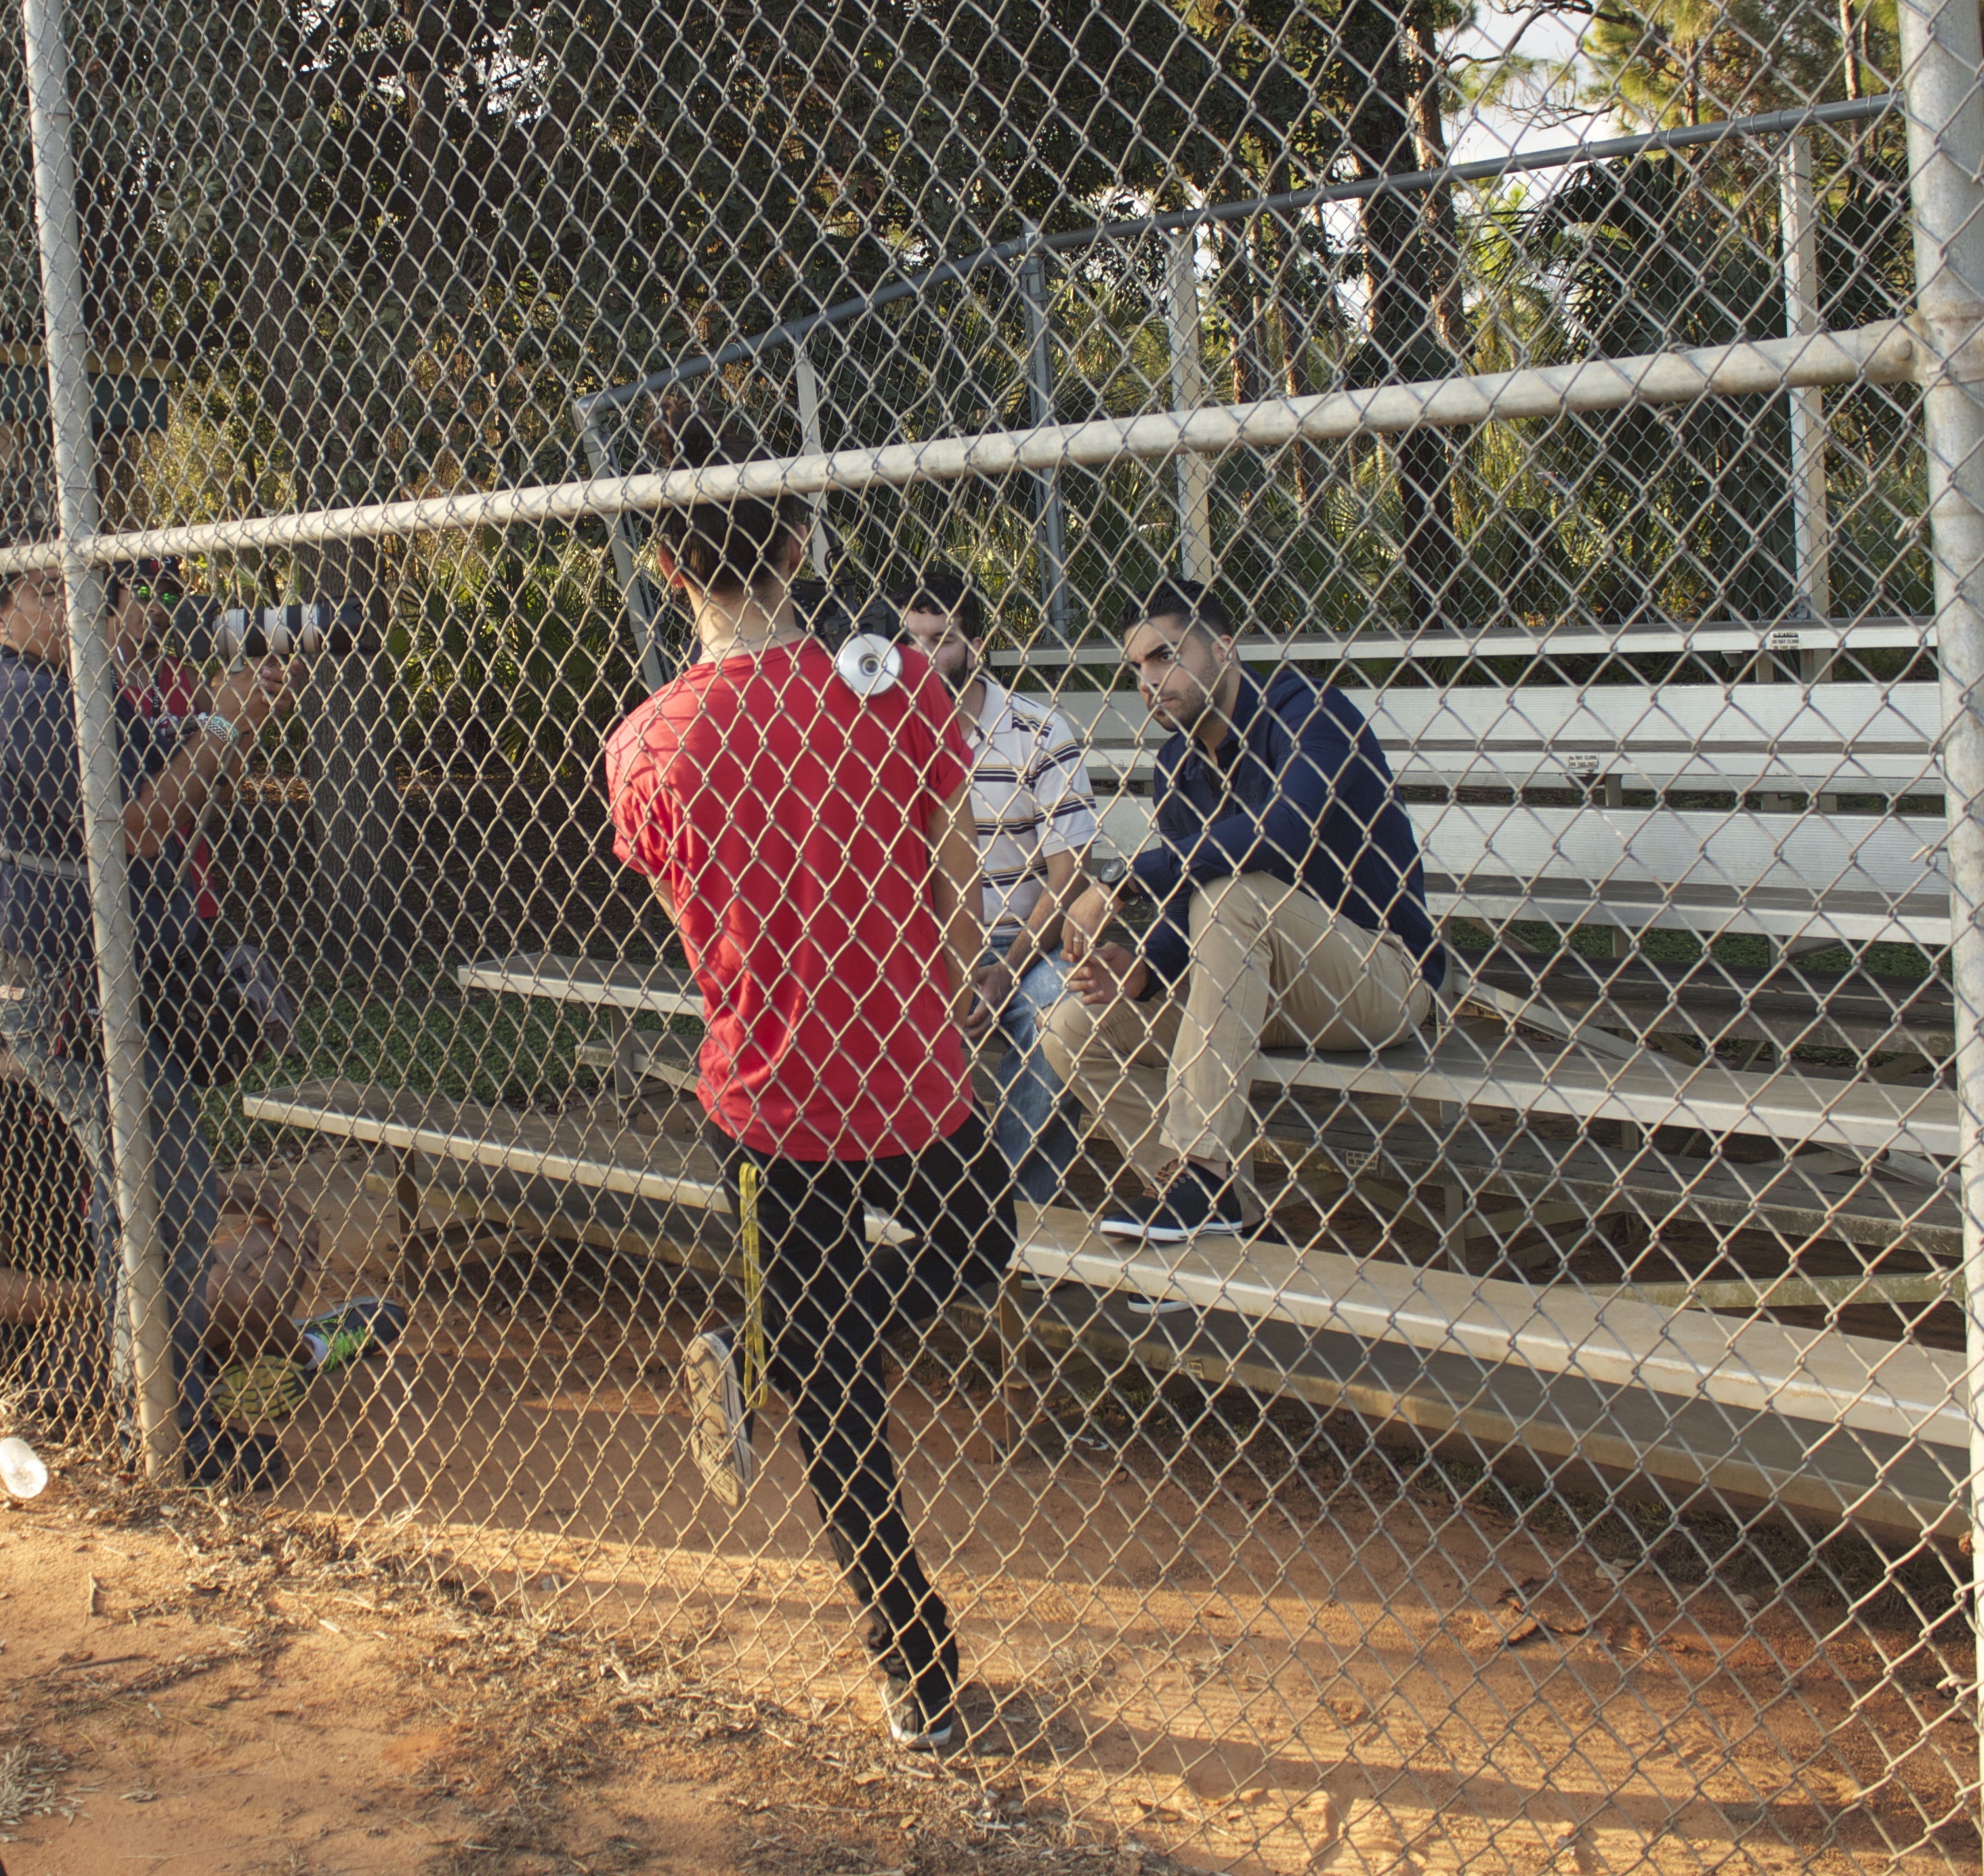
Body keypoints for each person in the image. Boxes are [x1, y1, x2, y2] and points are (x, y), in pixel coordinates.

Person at [603, 416, 1019, 1753]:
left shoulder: (647, 743)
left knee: (831, 1395)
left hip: (768, 1101)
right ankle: (782, 1338)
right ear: (795, 542)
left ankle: (916, 1672)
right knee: (978, 1236)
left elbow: (692, 919)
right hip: (912, 1077)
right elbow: (956, 876)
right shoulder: (888, 683)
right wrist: (937, 1008)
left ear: (667, 567)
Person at [0, 558, 395, 1486]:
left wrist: (221, 725)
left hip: (94, 986)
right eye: (44, 592)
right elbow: (143, 824)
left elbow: (169, 767)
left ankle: (152, 1413)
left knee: (165, 1199)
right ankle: (162, 1433)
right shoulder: (32, 701)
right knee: (160, 1202)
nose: (73, 608)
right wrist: (225, 718)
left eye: (72, 589)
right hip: (73, 996)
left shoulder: (58, 688)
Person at [1040, 577, 1445, 1244]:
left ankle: (1199, 1168)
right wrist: (1141, 969)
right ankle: (1209, 1206)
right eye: (1135, 666)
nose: (1147, 680)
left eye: (1165, 655)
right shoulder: (1175, 764)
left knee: (1233, 891)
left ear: (1223, 649)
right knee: (1068, 1024)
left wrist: (1122, 879)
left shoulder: (1307, 712)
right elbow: (1182, 915)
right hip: (1244, 986)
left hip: (1376, 975)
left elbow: (1284, 830)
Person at [887, 562, 1101, 1209]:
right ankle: (908, 1200)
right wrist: (951, 962)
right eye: (911, 642)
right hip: (925, 941)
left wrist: (1006, 966)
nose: (925, 656)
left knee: (1057, 1009)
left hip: (1028, 940)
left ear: (974, 645)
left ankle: (1006, 1203)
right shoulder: (882, 737)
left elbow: (1070, 870)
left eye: (941, 640)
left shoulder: (1039, 731)